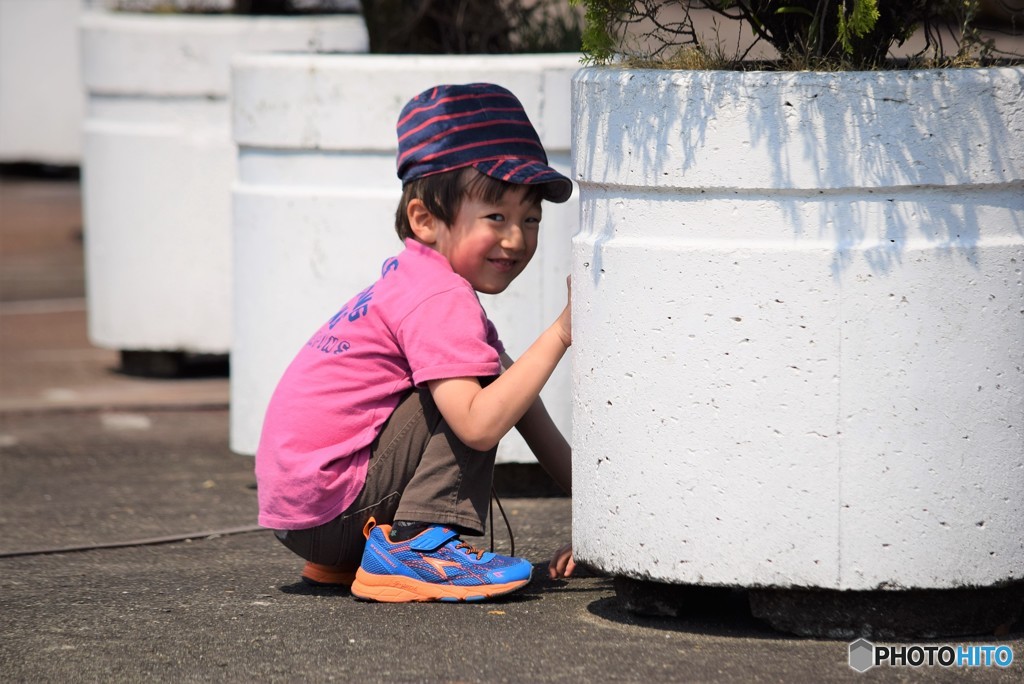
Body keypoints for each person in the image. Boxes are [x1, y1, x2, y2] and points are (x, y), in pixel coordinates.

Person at [255, 83, 577, 603]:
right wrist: (564, 332)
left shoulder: (412, 280)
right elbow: (479, 423)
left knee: (491, 375)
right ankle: (413, 546)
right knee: (476, 395)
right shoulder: (439, 295)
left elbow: (526, 408)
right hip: (332, 511)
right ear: (425, 219)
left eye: (531, 219)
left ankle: (355, 557)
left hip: (309, 516)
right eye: (496, 216)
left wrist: (598, 520)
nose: (517, 239)